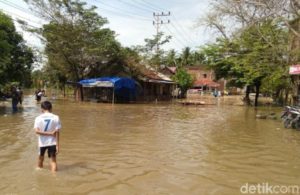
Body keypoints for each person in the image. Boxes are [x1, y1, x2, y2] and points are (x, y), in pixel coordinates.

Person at [34, 101, 61, 172]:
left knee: (40, 159)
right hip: (52, 142)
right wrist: (57, 145)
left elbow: (37, 131)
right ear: (51, 108)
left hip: (42, 143)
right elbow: (57, 131)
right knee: (53, 161)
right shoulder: (56, 117)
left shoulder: (38, 118)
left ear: (42, 109)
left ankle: (38, 174)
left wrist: (49, 133)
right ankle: (54, 177)